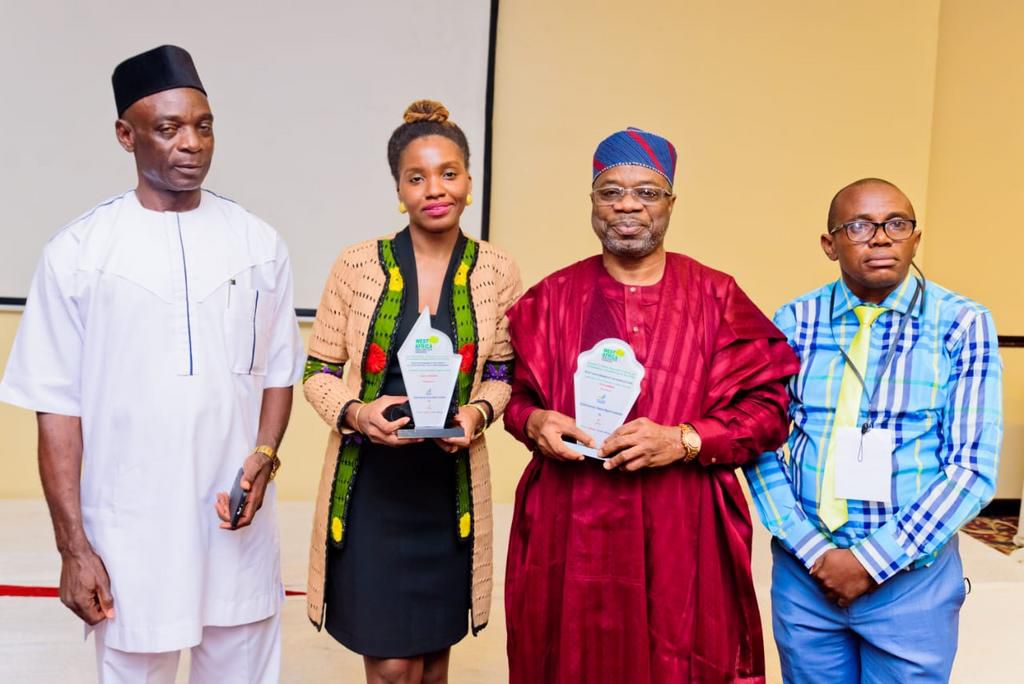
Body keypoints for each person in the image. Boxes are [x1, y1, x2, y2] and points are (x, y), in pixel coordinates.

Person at [0, 45, 304, 683]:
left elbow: (278, 373)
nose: (191, 143)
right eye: (168, 129)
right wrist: (73, 548)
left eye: (203, 125)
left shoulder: (257, 243)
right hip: (130, 538)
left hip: (236, 528)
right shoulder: (80, 253)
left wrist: (266, 456)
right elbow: (57, 411)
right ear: (125, 135)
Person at [502, 127, 800, 683]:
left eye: (647, 192)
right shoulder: (550, 299)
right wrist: (534, 421)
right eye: (610, 191)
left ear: (670, 203)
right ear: (592, 201)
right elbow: (514, 397)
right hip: (571, 524)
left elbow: (770, 408)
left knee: (682, 658)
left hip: (682, 527)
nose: (627, 207)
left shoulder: (717, 297)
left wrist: (686, 439)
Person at [744, 178, 1002, 682]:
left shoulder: (962, 324)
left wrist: (870, 561)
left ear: (915, 239)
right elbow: (763, 443)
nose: (881, 238)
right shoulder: (794, 320)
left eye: (896, 224)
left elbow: (972, 469)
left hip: (910, 580)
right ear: (829, 244)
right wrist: (815, 552)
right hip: (806, 578)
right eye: (860, 226)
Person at [302, 100, 522, 684]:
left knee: (430, 663)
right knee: (393, 666)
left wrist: (477, 414)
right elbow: (317, 372)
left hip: (449, 492)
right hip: (372, 489)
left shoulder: (497, 271)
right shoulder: (356, 266)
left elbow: (504, 375)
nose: (435, 189)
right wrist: (354, 412)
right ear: (399, 189)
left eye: (449, 173)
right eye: (417, 177)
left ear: (469, 182)